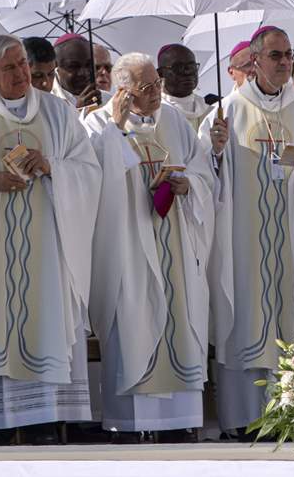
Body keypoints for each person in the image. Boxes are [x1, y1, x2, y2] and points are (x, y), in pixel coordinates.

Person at [0, 34, 99, 442]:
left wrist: (54, 168)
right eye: (9, 67)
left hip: (47, 244)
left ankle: (45, 421)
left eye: (23, 65)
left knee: (45, 317)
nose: (20, 74)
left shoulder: (57, 113)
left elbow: (88, 170)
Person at [205, 26, 294, 433]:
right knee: (247, 315)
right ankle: (245, 420)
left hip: (291, 234)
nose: (285, 62)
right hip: (243, 240)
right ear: (254, 61)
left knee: (293, 315)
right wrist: (215, 152)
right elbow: (205, 179)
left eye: (288, 55)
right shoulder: (227, 112)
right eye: (276, 56)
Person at [87, 52, 212, 438]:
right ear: (123, 91)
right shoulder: (96, 123)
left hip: (173, 240)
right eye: (146, 88)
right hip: (129, 244)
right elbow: (95, 182)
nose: (157, 92)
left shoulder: (173, 119)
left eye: (157, 84)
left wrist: (188, 183)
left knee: (178, 315)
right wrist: (117, 127)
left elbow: (202, 169)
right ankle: (133, 425)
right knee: (133, 316)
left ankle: (180, 422)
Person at [157, 43, 208, 126]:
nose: (187, 72)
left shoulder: (211, 109)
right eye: (178, 67)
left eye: (191, 67)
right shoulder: (155, 113)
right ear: (160, 73)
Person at [52, 33, 100, 113]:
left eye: (88, 64)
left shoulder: (110, 101)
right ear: (56, 66)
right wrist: (79, 111)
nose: (84, 73)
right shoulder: (48, 103)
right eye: (74, 66)